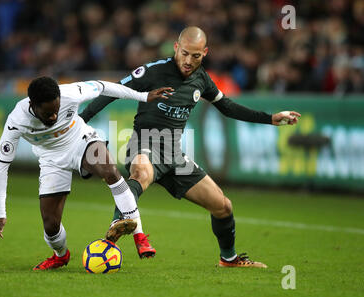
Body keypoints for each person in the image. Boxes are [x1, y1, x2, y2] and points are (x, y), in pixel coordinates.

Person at [80, 26, 301, 267]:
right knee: (141, 173)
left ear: (204, 53)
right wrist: (81, 120)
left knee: (223, 206)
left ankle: (229, 259)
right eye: (184, 53)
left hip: (174, 157)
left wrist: (269, 118)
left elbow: (227, 107)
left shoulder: (202, 79)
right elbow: (111, 92)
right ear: (176, 47)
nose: (188, 60)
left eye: (195, 56)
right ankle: (117, 223)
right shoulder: (153, 72)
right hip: (145, 144)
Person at [0, 76, 172, 270]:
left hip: (80, 141)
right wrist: (1, 212)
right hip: (51, 160)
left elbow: (104, 87)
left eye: (56, 110)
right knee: (51, 225)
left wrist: (143, 96)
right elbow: (2, 165)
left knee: (110, 170)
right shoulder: (16, 120)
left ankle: (140, 237)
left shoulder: (71, 93)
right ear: (33, 105)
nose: (53, 116)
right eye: (48, 113)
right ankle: (60, 255)